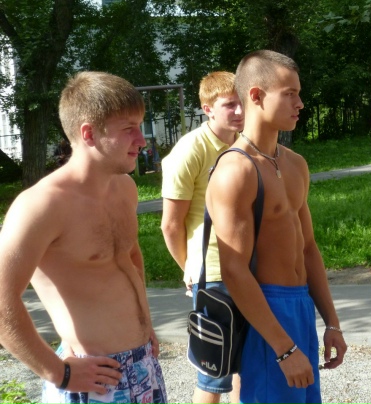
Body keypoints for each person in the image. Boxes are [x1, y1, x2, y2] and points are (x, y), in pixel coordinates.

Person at [0, 71, 167, 403]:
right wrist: (57, 372)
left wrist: (145, 324)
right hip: (93, 378)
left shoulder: (125, 189)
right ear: (89, 133)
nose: (142, 140)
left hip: (143, 364)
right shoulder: (42, 205)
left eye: (140, 126)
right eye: (129, 129)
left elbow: (130, 256)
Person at [206, 50, 347, 404]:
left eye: (299, 93)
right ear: (256, 95)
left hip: (300, 304)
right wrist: (283, 348)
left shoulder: (295, 164)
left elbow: (309, 247)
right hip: (264, 311)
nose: (300, 104)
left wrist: (331, 322)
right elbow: (234, 270)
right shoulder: (235, 171)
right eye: (290, 94)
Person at [161, 71, 244, 404]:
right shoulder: (190, 149)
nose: (239, 111)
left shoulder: (245, 144)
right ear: (207, 109)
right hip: (213, 274)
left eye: (242, 103)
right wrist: (189, 268)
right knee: (214, 370)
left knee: (246, 364)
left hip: (250, 268)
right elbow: (171, 224)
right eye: (229, 105)